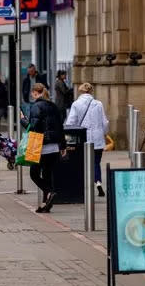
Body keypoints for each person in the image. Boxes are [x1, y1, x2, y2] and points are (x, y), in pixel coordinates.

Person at [26, 83, 65, 213]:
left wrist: (22, 120)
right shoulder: (54, 106)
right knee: (47, 174)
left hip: (40, 146)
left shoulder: (36, 106)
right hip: (54, 146)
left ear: (35, 93)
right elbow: (60, 127)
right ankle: (45, 204)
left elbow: (33, 127)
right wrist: (62, 145)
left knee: (34, 174)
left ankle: (49, 192)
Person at [65, 82, 109, 197]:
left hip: (83, 138)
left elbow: (70, 122)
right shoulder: (98, 104)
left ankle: (83, 186)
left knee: (81, 162)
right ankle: (98, 182)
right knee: (96, 162)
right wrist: (103, 133)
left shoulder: (76, 104)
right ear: (91, 91)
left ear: (80, 91)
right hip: (97, 139)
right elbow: (105, 122)